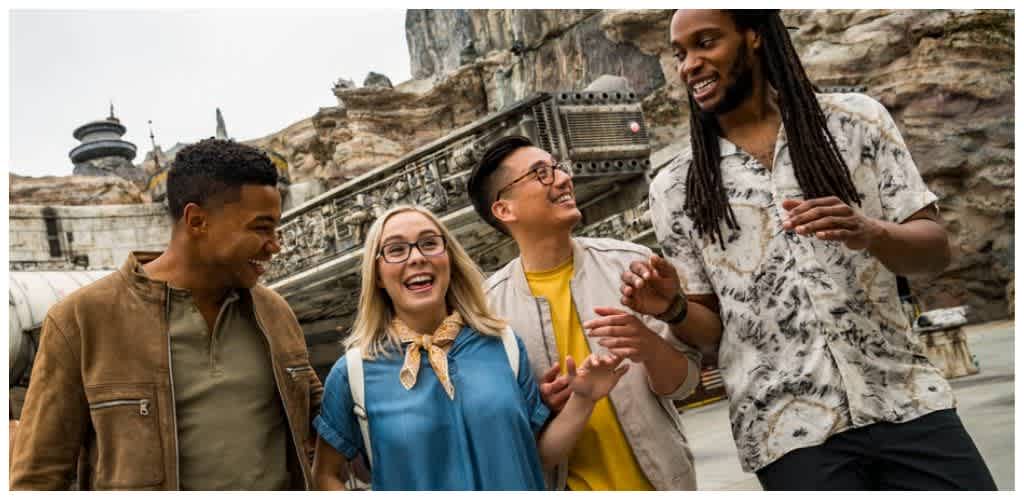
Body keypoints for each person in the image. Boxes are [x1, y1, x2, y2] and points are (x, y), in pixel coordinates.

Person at [623, 9, 996, 490]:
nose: (689, 64)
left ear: (754, 36)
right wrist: (673, 307)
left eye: (706, 43)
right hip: (789, 434)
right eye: (680, 54)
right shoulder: (677, 185)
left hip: (906, 400)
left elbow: (935, 251)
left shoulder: (856, 123)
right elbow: (712, 332)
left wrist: (872, 233)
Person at [10, 138, 322, 490]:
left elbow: (324, 420)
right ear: (197, 220)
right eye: (261, 228)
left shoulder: (275, 313)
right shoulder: (81, 321)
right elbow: (37, 479)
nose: (276, 244)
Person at [311, 205, 628, 491]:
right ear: (377, 275)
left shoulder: (504, 345)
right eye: (395, 250)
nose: (417, 257)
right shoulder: (353, 372)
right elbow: (325, 475)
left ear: (448, 258)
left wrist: (584, 399)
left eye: (429, 243)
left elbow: (535, 456)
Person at [467, 136, 702, 491]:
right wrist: (540, 406)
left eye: (558, 167)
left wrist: (647, 345)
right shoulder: (487, 313)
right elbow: (510, 443)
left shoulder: (630, 265)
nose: (563, 179)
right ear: (504, 210)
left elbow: (684, 385)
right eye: (541, 174)